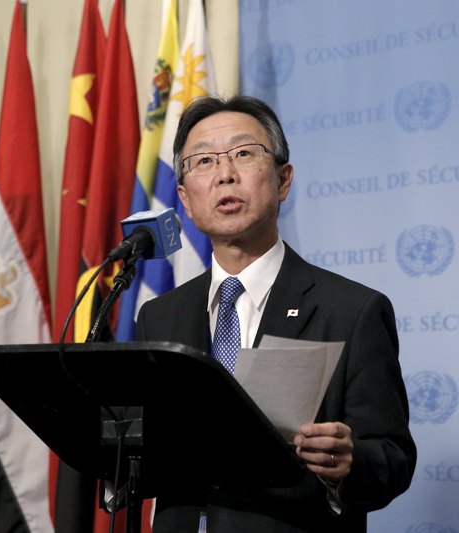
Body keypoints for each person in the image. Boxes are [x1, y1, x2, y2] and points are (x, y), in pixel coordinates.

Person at [134, 95, 416, 532]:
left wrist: (348, 463)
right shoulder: (159, 316)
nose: (225, 174)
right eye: (204, 161)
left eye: (244, 154)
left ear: (283, 181)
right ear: (187, 201)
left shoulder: (353, 311)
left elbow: (392, 458)